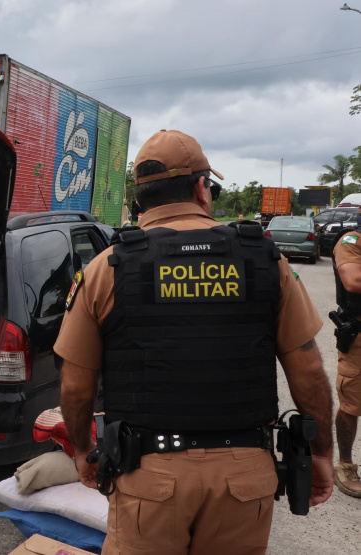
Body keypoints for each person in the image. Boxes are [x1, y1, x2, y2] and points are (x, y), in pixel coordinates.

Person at [54, 129, 334, 555]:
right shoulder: (265, 258)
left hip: (147, 475)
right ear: (203, 188)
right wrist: (321, 453)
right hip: (244, 478)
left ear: (140, 198)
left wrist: (82, 451)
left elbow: (76, 387)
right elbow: (309, 373)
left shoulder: (105, 267)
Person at [331, 225, 361, 497]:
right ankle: (345, 464)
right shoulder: (351, 241)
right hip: (359, 336)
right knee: (352, 401)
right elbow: (353, 281)